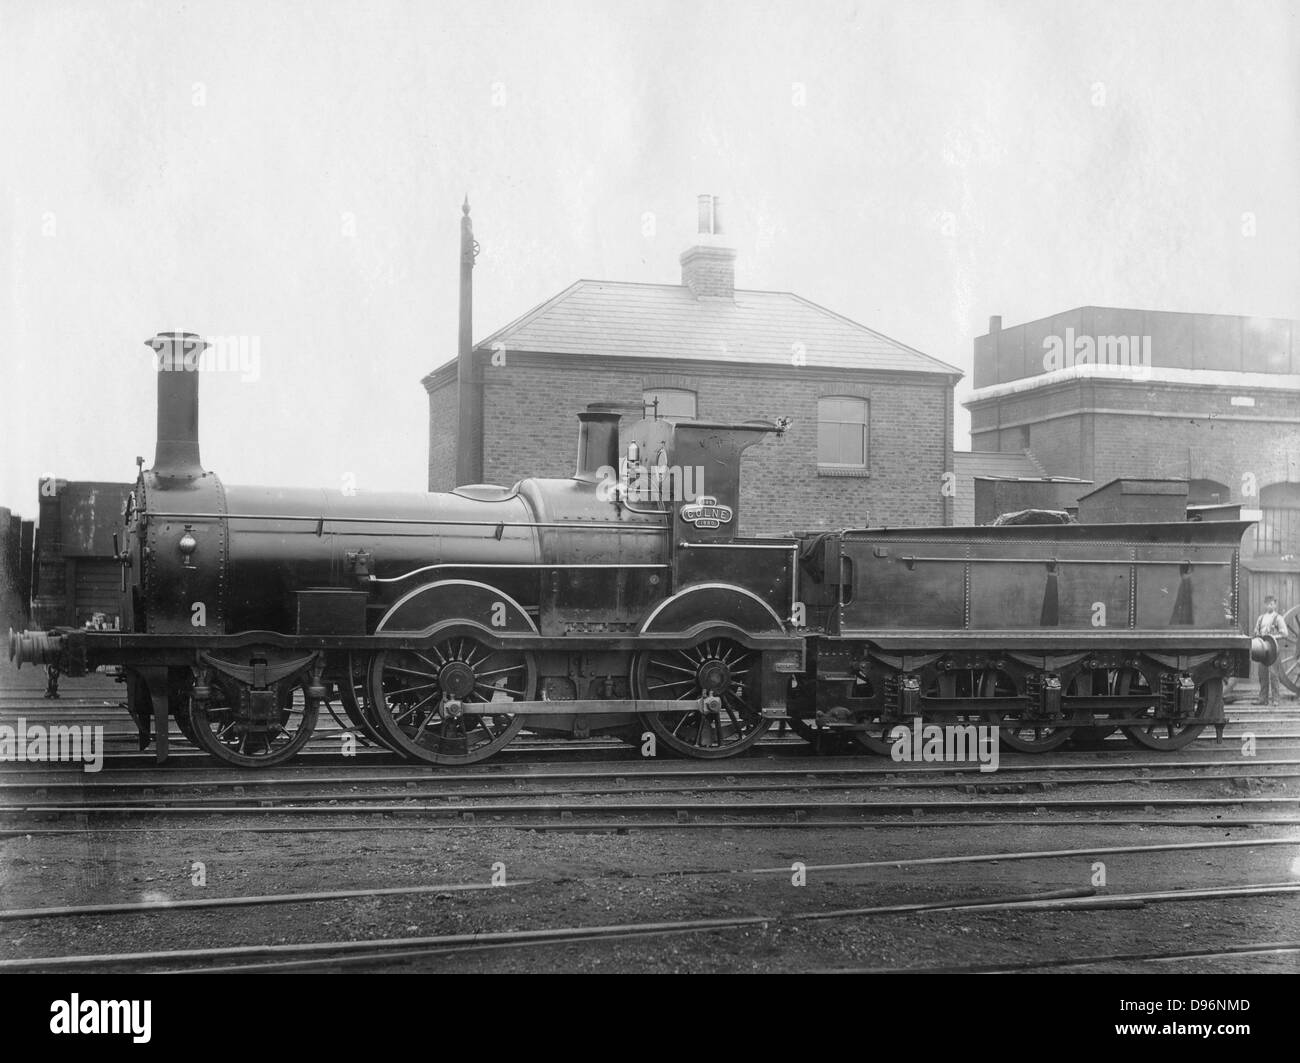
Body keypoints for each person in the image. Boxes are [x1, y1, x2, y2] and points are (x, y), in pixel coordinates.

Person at [1254, 595, 1289, 706]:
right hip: (1262, 650)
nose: (1270, 605)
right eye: (1268, 604)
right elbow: (1256, 632)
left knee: (1274, 674)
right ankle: (1263, 699)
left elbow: (1285, 634)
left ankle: (1276, 700)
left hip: (1273, 650)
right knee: (1262, 674)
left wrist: (1272, 636)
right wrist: (1258, 635)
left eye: (1272, 604)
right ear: (1265, 605)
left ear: (1275, 604)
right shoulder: (1260, 618)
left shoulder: (1278, 618)